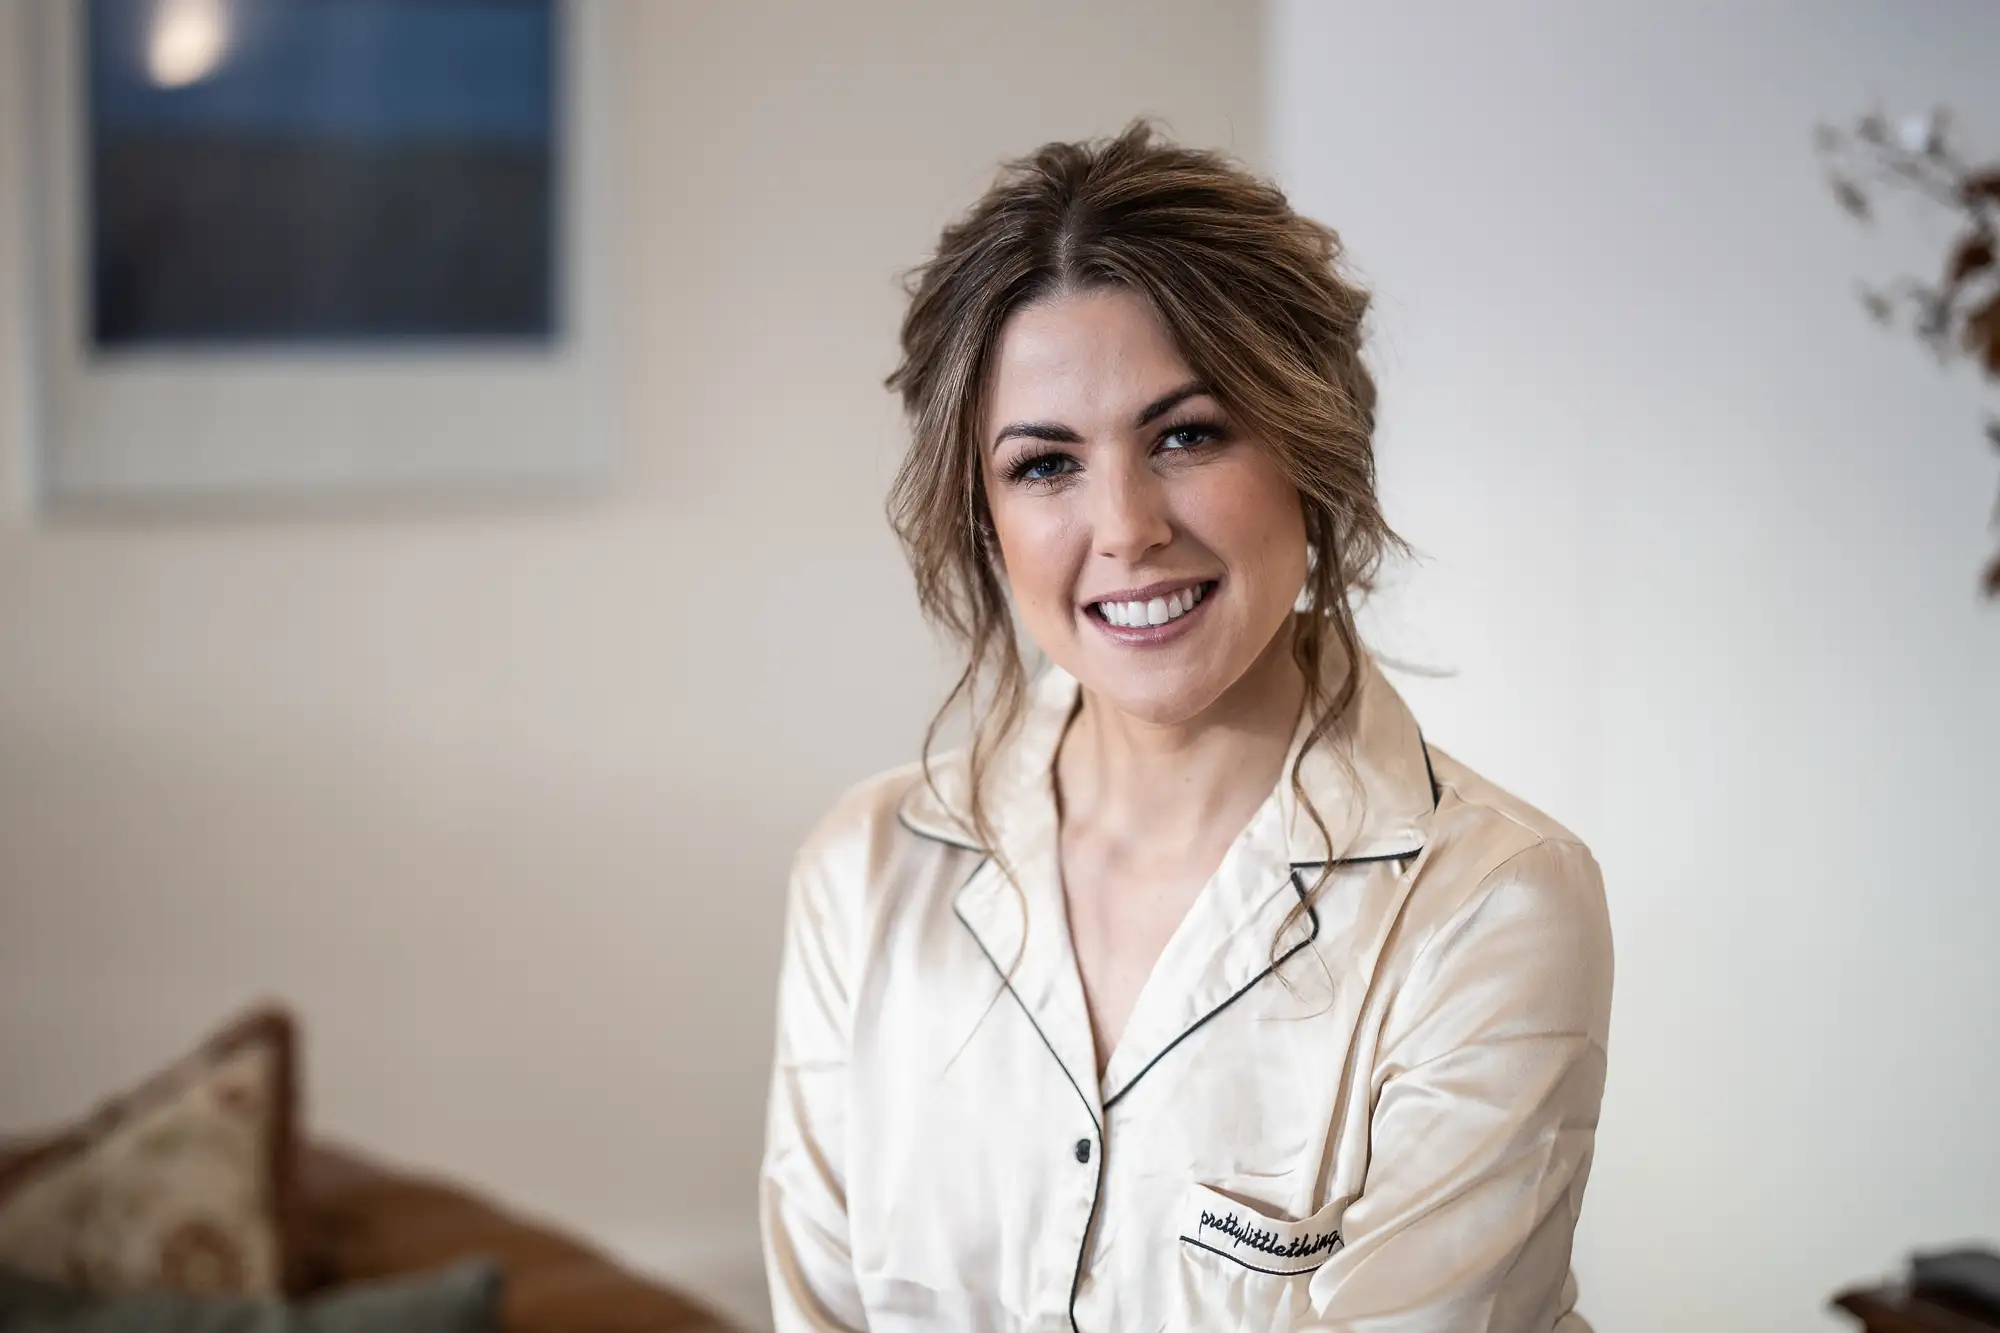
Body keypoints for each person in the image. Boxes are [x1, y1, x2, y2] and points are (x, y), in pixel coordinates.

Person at [759, 122, 1613, 1333]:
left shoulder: (1490, 907)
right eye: (1044, 464)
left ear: (1308, 449)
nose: (1123, 527)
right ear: (982, 511)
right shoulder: (863, 871)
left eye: (1186, 435)